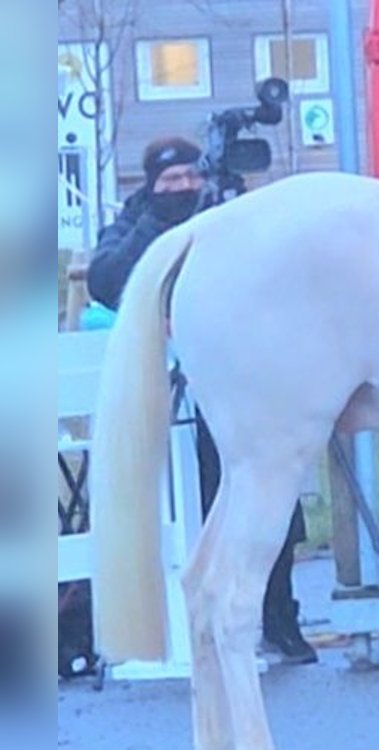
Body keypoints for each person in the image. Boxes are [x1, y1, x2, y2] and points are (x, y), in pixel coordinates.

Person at [87, 136, 317, 663]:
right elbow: (106, 280)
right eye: (169, 182)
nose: (183, 188)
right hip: (167, 380)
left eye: (190, 178)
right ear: (150, 185)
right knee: (203, 499)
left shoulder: (226, 215)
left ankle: (278, 614)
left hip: (238, 375)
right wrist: (159, 224)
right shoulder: (131, 223)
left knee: (261, 487)